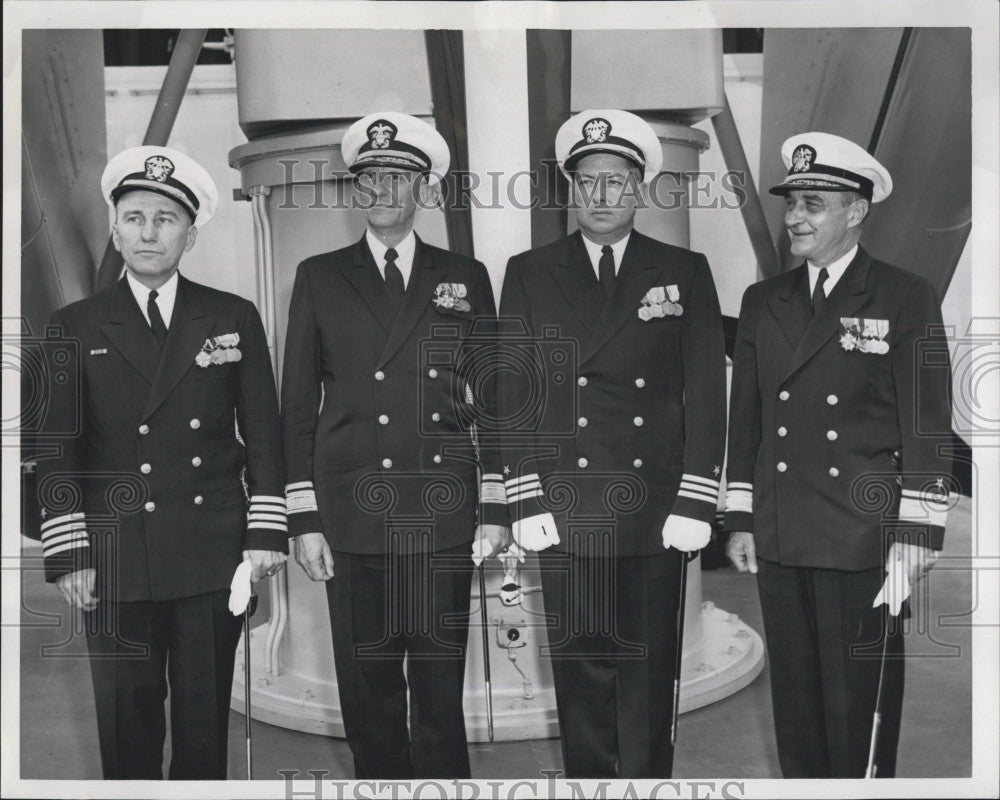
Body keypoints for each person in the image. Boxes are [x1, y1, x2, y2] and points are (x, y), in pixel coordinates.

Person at [36, 146, 288, 779]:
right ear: (116, 229)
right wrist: (70, 553)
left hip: (209, 554)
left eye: (166, 219)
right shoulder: (73, 325)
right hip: (115, 559)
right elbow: (55, 452)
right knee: (127, 726)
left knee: (205, 727)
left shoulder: (232, 317)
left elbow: (263, 433)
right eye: (135, 217)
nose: (149, 233)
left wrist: (264, 533)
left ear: (190, 233)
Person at [496, 110, 727, 778]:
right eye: (588, 181)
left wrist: (696, 497)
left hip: (657, 507)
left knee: (651, 667)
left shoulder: (683, 269)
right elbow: (513, 390)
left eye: (616, 181)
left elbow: (706, 391)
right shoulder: (530, 271)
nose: (601, 196)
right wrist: (524, 494)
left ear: (639, 189)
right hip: (565, 504)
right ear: (571, 189)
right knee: (581, 669)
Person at [281, 112, 508, 779]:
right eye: (369, 177)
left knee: (440, 693)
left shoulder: (464, 276)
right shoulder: (320, 275)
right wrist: (303, 516)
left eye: (396, 176)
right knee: (369, 693)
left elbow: (492, 399)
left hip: (439, 510)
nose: (380, 188)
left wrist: (495, 506)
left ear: (423, 188)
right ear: (356, 189)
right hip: (350, 513)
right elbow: (297, 403)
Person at [724, 132, 954, 778]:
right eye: (793, 200)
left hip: (865, 539)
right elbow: (749, 422)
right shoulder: (763, 301)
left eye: (815, 202)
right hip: (780, 532)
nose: (796, 216)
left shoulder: (903, 296)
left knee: (858, 705)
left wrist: (918, 533)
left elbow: (927, 424)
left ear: (857, 211)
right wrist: (739, 517)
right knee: (795, 703)